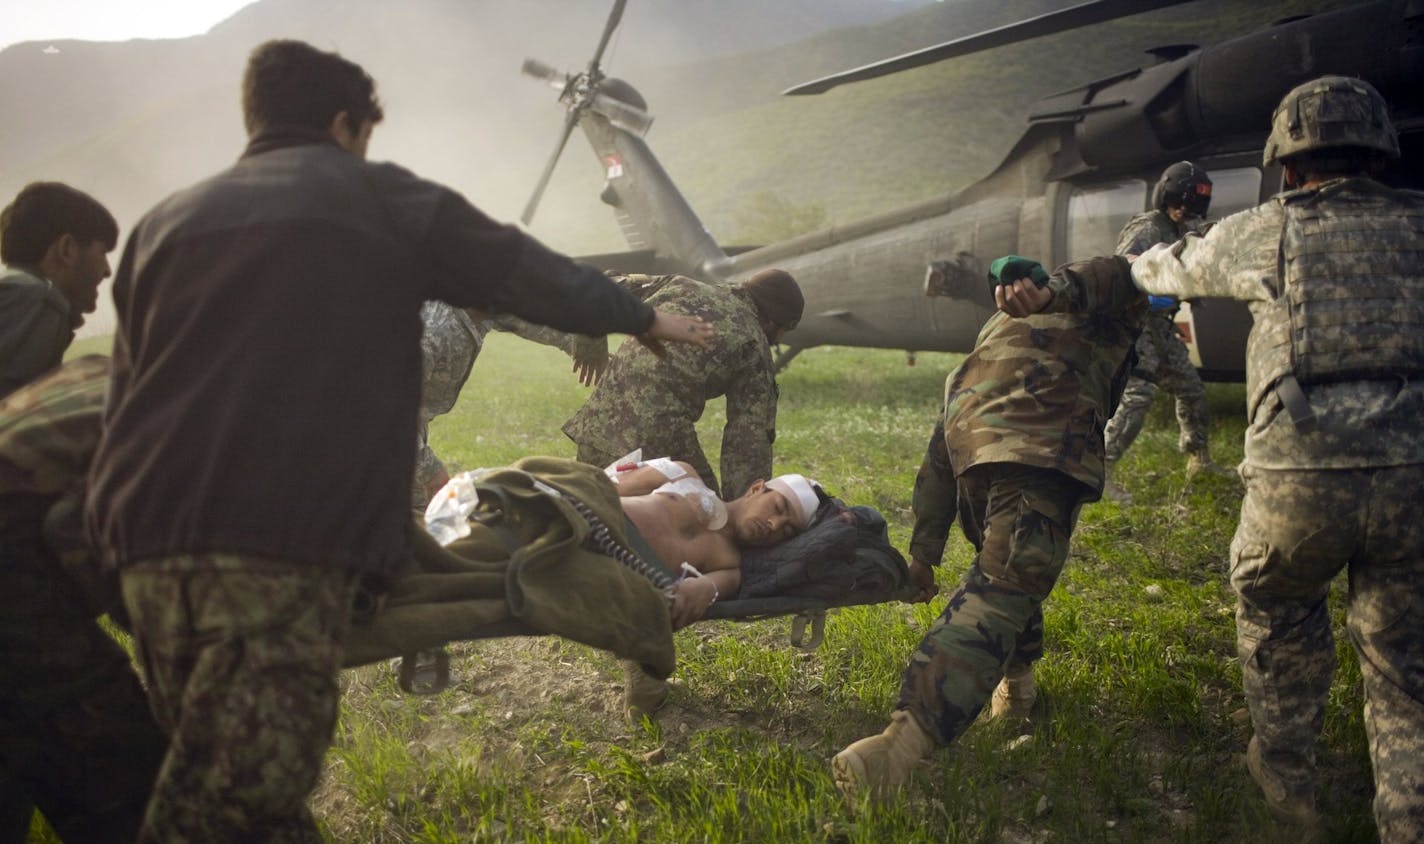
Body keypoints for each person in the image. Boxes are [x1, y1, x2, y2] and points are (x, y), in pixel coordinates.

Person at [84, 39, 712, 843]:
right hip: (270, 551)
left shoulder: (163, 225)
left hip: (146, 550)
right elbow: (518, 267)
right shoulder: (372, 197)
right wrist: (637, 314)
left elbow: (125, 396)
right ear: (344, 124)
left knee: (217, 776)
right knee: (233, 805)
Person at [1128, 76, 1424, 836]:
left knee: (1279, 609)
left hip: (1297, 476)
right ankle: (1407, 816)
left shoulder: (1263, 230)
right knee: (1402, 660)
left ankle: (1289, 780)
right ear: (1384, 156)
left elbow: (1161, 270)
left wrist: (1132, 261)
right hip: (1412, 476)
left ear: (1288, 167)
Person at [831, 254, 1145, 802]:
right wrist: (1059, 290)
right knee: (1001, 591)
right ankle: (901, 744)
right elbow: (1126, 268)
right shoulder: (1113, 292)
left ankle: (1017, 687)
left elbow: (940, 439)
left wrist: (924, 552)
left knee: (1006, 570)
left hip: (970, 450)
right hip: (1037, 447)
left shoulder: (996, 326)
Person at [0, 357, 166, 844]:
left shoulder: (106, 373)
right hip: (17, 612)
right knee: (140, 788)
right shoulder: (174, 427)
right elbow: (70, 528)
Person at [603, 457, 821, 716]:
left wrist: (695, 591)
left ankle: (647, 682)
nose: (774, 524)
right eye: (778, 506)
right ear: (756, 488)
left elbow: (703, 591)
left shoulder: (730, 566)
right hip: (585, 522)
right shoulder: (683, 474)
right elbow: (599, 486)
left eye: (787, 531)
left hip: (608, 577)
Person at [563, 269, 803, 500]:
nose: (780, 339)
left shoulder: (680, 285)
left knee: (587, 511)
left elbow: (602, 289)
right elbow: (748, 443)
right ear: (772, 320)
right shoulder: (754, 344)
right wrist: (745, 507)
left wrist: (589, 349)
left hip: (598, 426)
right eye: (786, 329)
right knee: (710, 517)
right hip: (658, 443)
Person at [1101, 161, 1225, 503]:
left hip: (1162, 327)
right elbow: (1120, 274)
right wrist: (1150, 295)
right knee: (1137, 396)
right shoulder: (1147, 228)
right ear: (1166, 199)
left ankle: (1199, 460)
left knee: (1192, 391)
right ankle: (1100, 472)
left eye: (1190, 206)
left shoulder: (1184, 229)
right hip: (1136, 325)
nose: (1183, 211)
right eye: (1179, 204)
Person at [413, 301, 608, 508]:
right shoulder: (431, 331)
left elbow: (526, 318)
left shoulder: (480, 305)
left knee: (421, 511)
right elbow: (384, 412)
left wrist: (581, 346)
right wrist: (429, 469)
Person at [0, 182, 117, 398]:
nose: (108, 271)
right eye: (102, 252)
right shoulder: (37, 302)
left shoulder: (16, 295)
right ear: (67, 249)